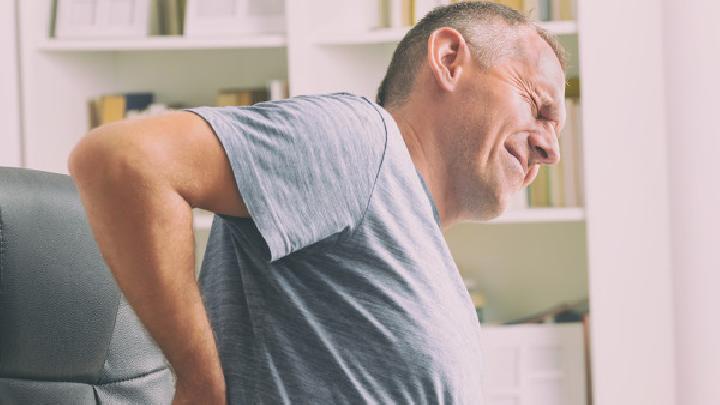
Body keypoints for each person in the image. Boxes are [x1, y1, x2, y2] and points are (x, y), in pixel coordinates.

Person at [68, 2, 566, 404]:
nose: (551, 148)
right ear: (450, 60)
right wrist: (199, 384)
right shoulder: (363, 142)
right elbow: (121, 159)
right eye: (538, 106)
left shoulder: (434, 263)